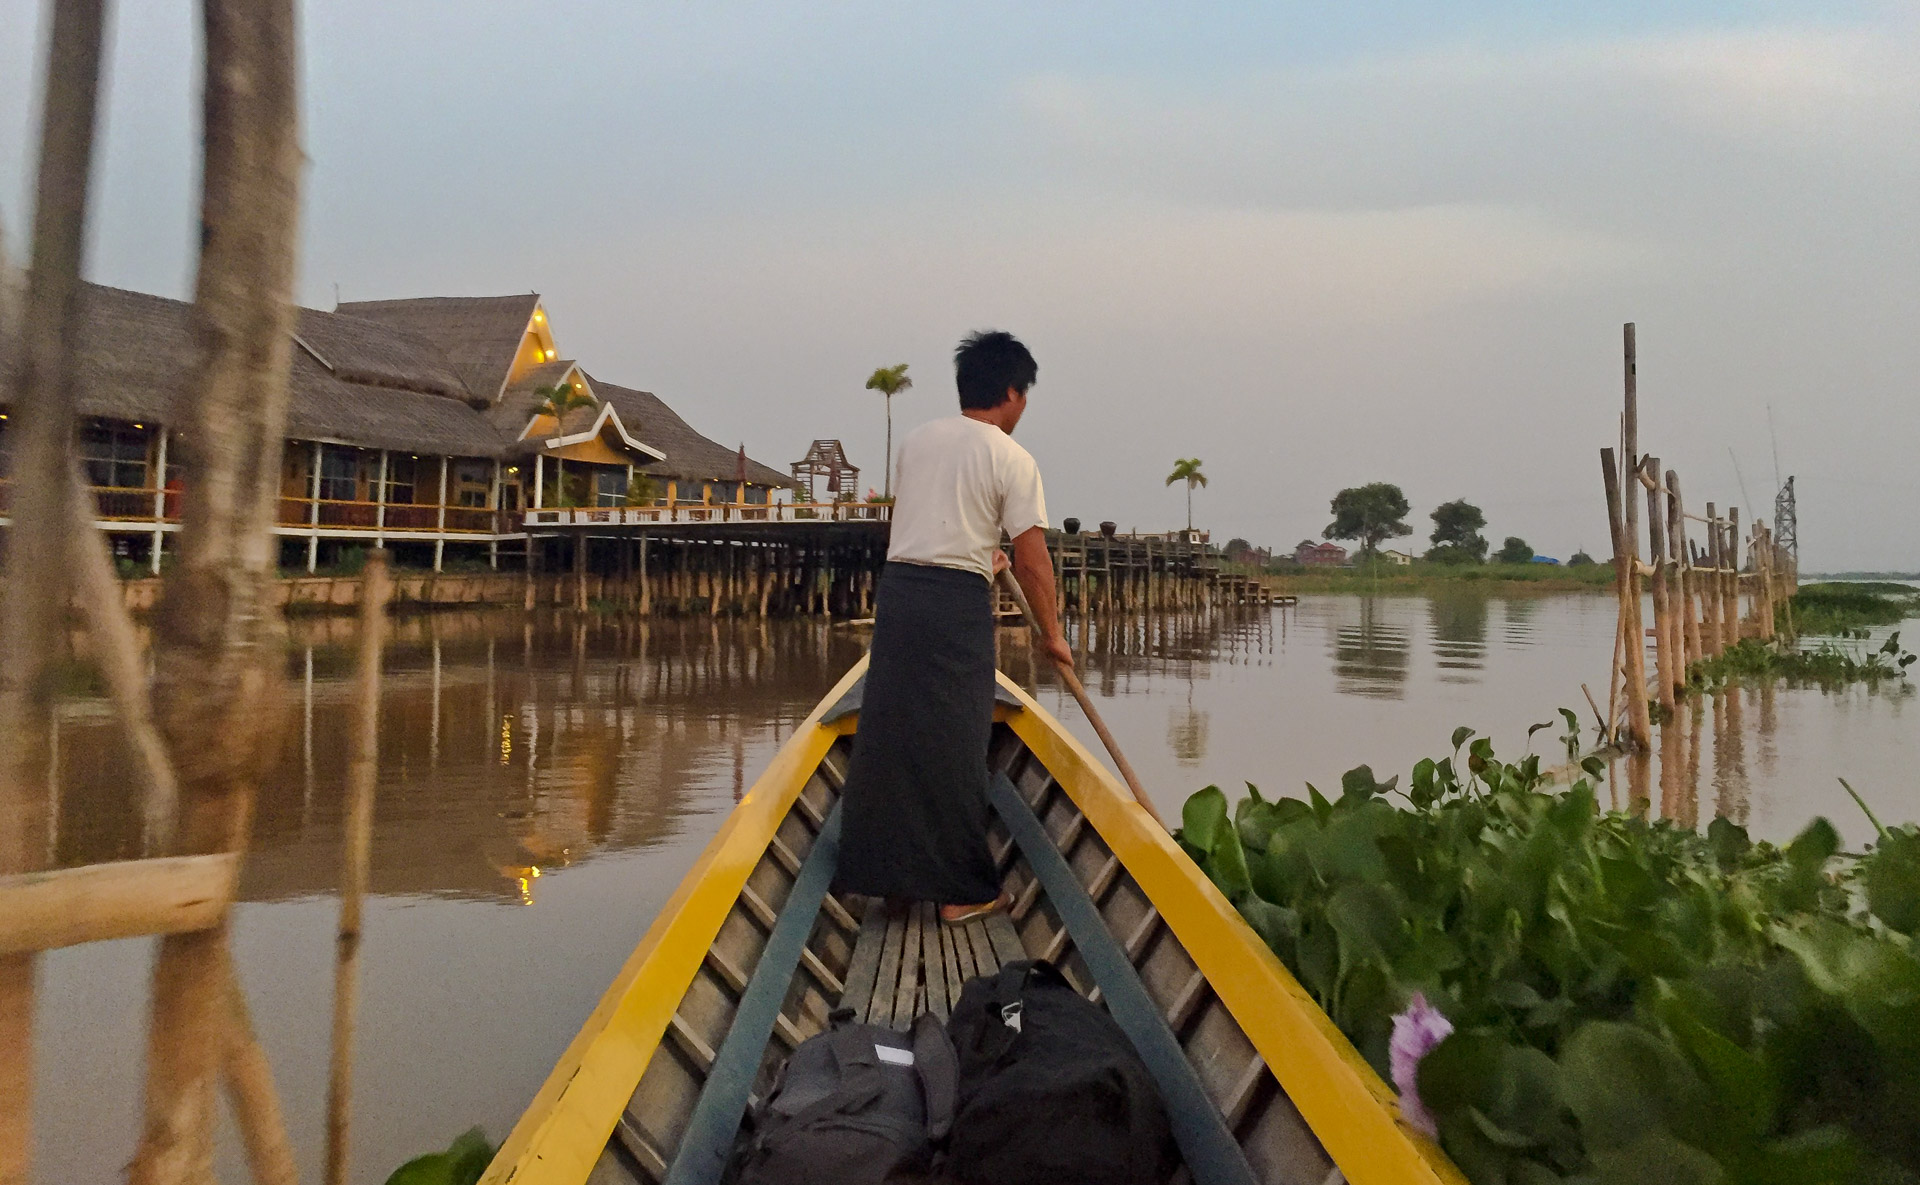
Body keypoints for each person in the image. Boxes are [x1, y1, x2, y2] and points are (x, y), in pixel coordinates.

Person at [834, 330, 1072, 924]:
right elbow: (1034, 561)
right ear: (1012, 394)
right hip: (952, 605)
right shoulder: (1011, 457)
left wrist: (979, 554)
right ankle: (964, 891)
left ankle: (885, 880)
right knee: (958, 742)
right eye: (1024, 398)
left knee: (892, 735)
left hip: (901, 595)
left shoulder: (917, 442)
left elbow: (937, 525)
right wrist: (1053, 634)